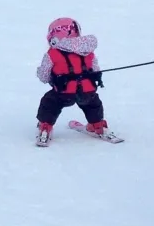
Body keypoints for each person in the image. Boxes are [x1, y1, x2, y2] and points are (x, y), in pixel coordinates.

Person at [34, 17, 115, 146]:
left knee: (49, 103)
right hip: (87, 91)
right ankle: (97, 125)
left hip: (63, 92)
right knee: (93, 104)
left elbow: (44, 75)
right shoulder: (87, 51)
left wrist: (48, 77)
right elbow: (95, 69)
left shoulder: (52, 53)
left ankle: (45, 126)